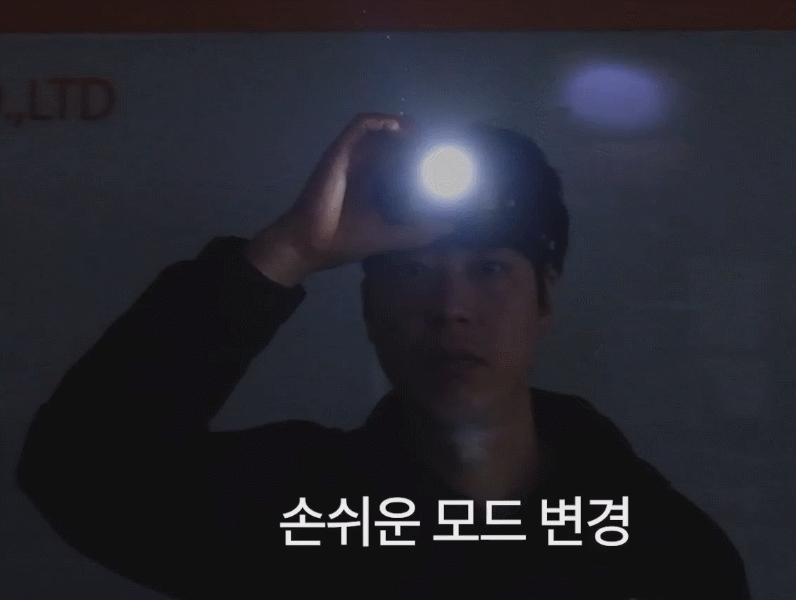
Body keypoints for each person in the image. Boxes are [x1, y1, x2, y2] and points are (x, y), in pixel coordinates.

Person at [17, 113, 751, 599]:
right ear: (368, 309)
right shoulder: (306, 516)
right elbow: (81, 471)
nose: (450, 306)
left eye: (489, 270)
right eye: (411, 273)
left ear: (545, 301)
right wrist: (289, 251)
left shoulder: (657, 549)